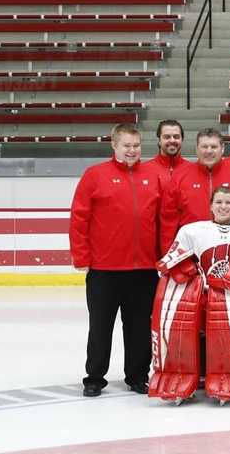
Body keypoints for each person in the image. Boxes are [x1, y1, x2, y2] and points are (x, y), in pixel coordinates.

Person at [151, 186, 230, 404]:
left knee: (226, 307)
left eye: (228, 203)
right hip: (199, 295)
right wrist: (182, 268)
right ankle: (178, 372)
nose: (223, 207)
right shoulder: (192, 231)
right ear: (211, 206)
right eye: (219, 202)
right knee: (177, 310)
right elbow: (168, 263)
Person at [69, 123, 163, 397]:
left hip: (143, 269)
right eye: (126, 145)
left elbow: (159, 220)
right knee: (100, 326)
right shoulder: (95, 175)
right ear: (114, 145)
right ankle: (95, 377)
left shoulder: (152, 175)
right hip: (104, 269)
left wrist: (160, 258)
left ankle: (136, 375)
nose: (132, 150)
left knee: (138, 328)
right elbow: (79, 217)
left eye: (136, 145)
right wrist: (81, 256)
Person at [159, 128, 230, 253]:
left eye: (214, 146)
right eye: (204, 146)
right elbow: (168, 222)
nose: (209, 151)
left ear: (222, 149)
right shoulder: (180, 178)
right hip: (191, 251)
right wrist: (168, 257)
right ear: (197, 148)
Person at [147, 119, 191, 194]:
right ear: (158, 140)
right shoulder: (146, 169)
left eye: (176, 137)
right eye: (167, 137)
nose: (172, 140)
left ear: (182, 140)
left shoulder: (192, 170)